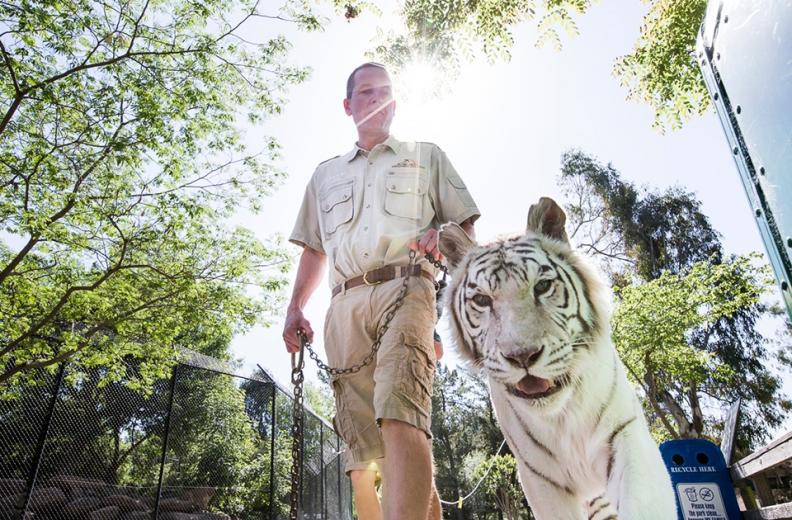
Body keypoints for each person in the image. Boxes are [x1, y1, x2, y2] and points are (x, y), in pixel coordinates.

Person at [283, 62, 479, 520]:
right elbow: (313, 250)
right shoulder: (324, 176)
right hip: (343, 307)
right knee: (364, 454)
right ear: (348, 106)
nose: (377, 99)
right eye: (367, 92)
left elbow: (466, 230)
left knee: (400, 414)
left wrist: (444, 235)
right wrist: (295, 307)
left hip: (407, 289)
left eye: (385, 91)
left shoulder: (427, 156)